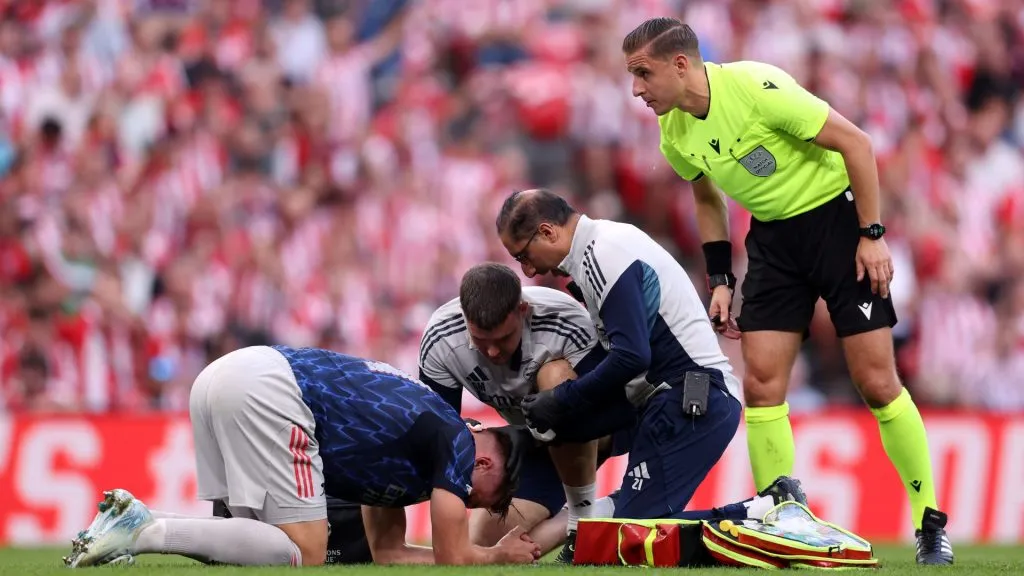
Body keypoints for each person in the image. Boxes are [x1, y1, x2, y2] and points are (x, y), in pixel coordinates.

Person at [619, 17, 952, 565]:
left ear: (680, 65)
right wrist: (720, 279)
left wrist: (871, 236)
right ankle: (782, 522)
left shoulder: (756, 87)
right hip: (774, 241)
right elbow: (707, 198)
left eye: (643, 73)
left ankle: (929, 521)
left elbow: (858, 144)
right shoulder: (674, 131)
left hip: (837, 225)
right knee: (762, 384)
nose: (636, 89)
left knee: (876, 382)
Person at [494, 190, 803, 547]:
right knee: (623, 531)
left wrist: (562, 398)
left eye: (523, 255)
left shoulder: (602, 253)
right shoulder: (602, 245)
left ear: (548, 232)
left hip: (690, 397)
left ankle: (763, 512)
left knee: (632, 538)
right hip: (679, 397)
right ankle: (589, 527)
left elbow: (631, 357)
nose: (528, 270)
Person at [63, 346, 542, 568]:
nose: (479, 506)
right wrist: (499, 555)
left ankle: (130, 524)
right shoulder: (458, 441)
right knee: (306, 552)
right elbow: (453, 557)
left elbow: (389, 554)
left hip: (227, 375)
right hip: (273, 392)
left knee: (256, 552)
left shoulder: (422, 450)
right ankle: (147, 530)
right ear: (486, 464)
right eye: (492, 498)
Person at [419, 262, 625, 562]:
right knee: (484, 544)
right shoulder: (441, 339)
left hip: (594, 426)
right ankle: (600, 512)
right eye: (481, 341)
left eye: (503, 338)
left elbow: (610, 403)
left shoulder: (566, 322)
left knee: (555, 377)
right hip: (537, 443)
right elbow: (442, 437)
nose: (492, 351)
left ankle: (580, 512)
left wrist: (533, 432)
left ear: (522, 311)